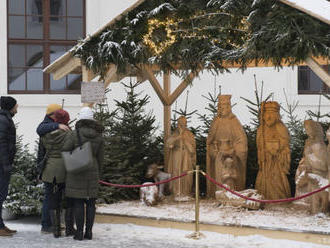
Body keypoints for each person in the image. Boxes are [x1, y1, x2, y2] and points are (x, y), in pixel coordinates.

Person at [62, 107, 104, 240]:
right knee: (91, 202)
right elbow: (101, 157)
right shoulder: (99, 135)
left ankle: (79, 233)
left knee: (78, 202)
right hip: (93, 170)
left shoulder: (74, 134)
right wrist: (99, 172)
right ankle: (89, 232)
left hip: (77, 170)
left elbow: (65, 149)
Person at [41, 109, 75, 238]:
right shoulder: (69, 134)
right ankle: (68, 228)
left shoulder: (45, 133)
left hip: (49, 169)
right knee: (67, 199)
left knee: (51, 198)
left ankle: (55, 230)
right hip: (65, 168)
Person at [206, 95, 247, 198]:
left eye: (223, 106)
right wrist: (214, 152)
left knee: (230, 178)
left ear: (229, 107)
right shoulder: (216, 121)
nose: (221, 109)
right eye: (219, 107)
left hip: (231, 155)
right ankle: (218, 195)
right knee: (219, 176)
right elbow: (210, 141)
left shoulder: (234, 121)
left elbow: (241, 141)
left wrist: (232, 151)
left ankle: (231, 196)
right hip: (218, 155)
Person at [256, 101, 291, 200]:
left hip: (277, 162)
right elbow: (259, 145)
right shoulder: (261, 129)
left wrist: (277, 149)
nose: (269, 117)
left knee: (277, 181)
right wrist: (263, 150)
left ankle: (278, 198)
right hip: (266, 161)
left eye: (271, 114)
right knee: (263, 181)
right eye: (266, 114)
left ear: (276, 115)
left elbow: (285, 143)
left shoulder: (281, 128)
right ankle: (263, 197)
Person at [0, 96, 18, 236]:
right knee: (0, 195)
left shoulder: (5, 119)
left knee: (1, 195)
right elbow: (2, 145)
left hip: (4, 164)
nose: (17, 108)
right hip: (1, 165)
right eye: (16, 106)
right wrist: (6, 165)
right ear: (10, 107)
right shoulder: (3, 120)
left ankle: (1, 225)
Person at [166, 116, 196, 200]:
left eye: (184, 122)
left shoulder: (189, 134)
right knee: (176, 172)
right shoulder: (175, 133)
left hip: (186, 155)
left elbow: (193, 148)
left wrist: (185, 141)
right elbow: (168, 143)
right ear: (178, 123)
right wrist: (177, 138)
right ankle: (177, 192)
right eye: (181, 122)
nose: (183, 124)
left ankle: (186, 192)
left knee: (187, 173)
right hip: (177, 155)